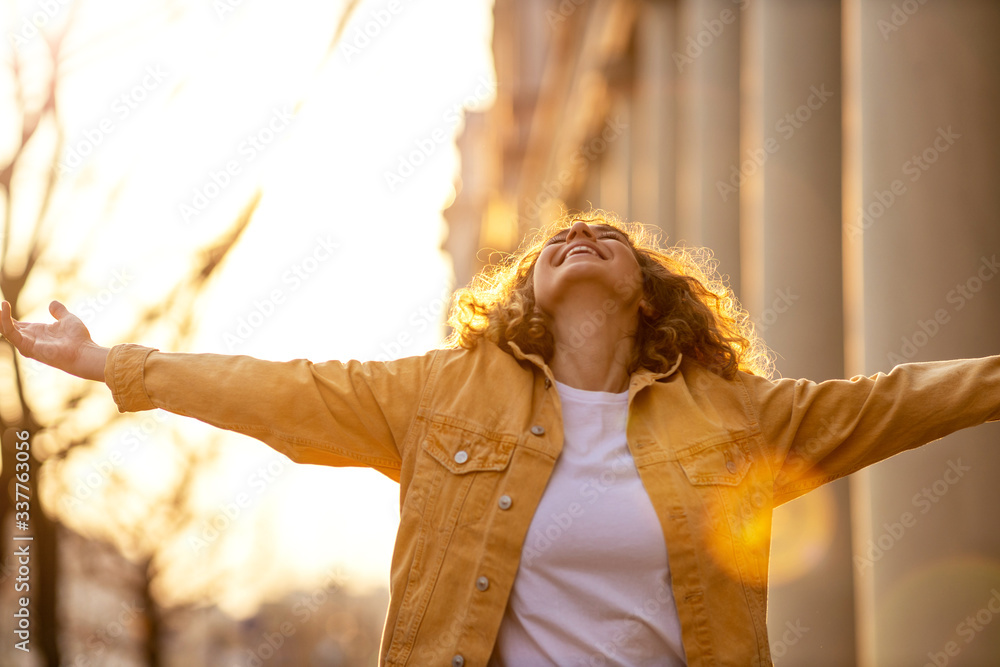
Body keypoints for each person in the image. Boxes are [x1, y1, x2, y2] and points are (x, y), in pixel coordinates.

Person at [3, 211, 999, 666]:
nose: (579, 237)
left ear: (649, 297)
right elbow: (281, 390)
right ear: (522, 290)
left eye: (607, 238)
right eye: (555, 240)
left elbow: (895, 398)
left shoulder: (733, 419)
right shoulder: (444, 394)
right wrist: (106, 362)